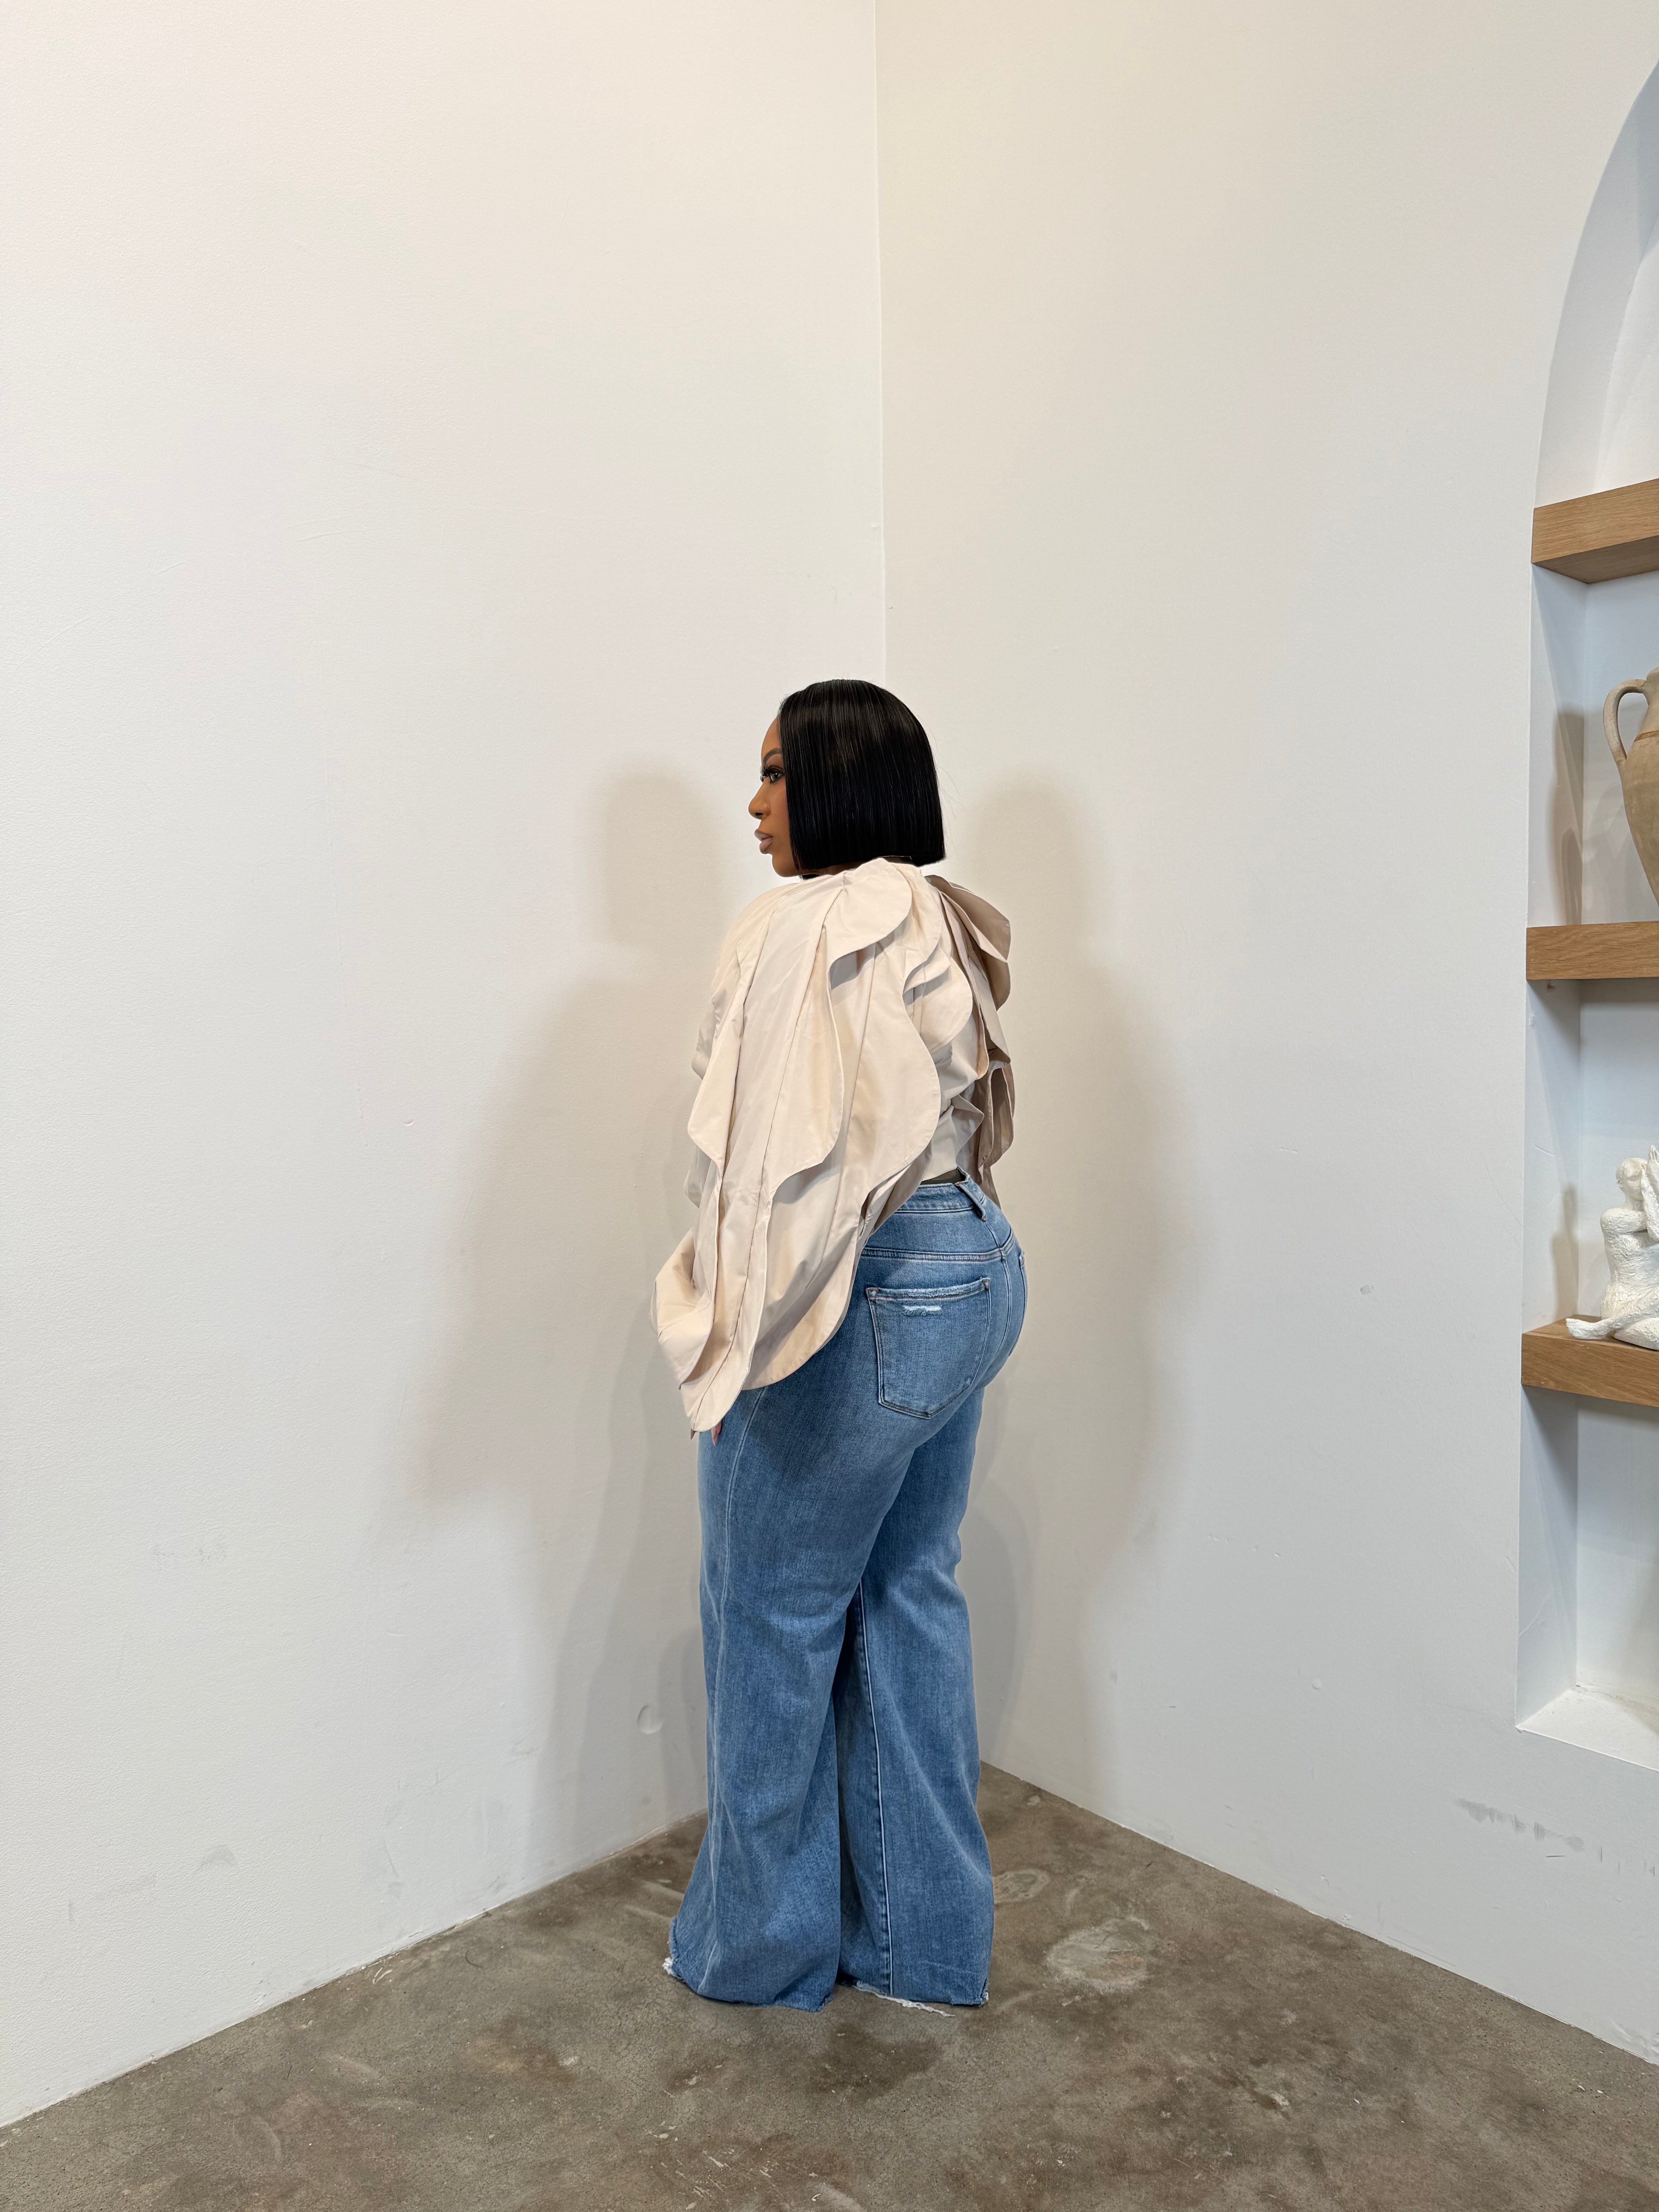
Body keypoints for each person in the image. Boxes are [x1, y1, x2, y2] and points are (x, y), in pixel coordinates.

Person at [651, 677, 1025, 2011]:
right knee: (907, 1592)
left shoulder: (799, 924)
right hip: (970, 1260)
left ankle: (759, 1952)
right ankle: (926, 1949)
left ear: (835, 781)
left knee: (769, 1613)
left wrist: (734, 1335)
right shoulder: (935, 910)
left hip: (861, 1288)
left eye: (774, 773)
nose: (754, 804)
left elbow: (782, 1169)